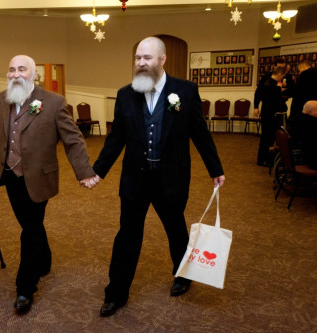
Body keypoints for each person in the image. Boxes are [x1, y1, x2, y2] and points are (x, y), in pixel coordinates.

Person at [92, 37, 225, 317]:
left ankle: (183, 275)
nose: (141, 63)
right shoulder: (126, 94)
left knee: (176, 230)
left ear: (162, 59)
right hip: (135, 180)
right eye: (138, 58)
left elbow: (200, 133)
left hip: (171, 179)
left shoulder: (185, 91)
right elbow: (116, 138)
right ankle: (116, 292)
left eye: (147, 58)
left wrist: (215, 169)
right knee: (127, 235)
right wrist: (97, 171)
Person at [0, 55, 99, 314]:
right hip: (9, 176)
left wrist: (84, 171)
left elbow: (73, 139)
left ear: (33, 75)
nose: (16, 74)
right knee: (31, 224)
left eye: (22, 69)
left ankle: (25, 288)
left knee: (29, 229)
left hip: (40, 177)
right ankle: (45, 257)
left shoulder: (53, 102)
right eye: (12, 69)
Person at [255, 67, 286, 166]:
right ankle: (265, 159)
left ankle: (262, 159)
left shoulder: (267, 83)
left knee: (265, 138)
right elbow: (277, 102)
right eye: (282, 76)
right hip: (271, 116)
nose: (282, 78)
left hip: (266, 114)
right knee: (268, 139)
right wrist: (280, 92)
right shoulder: (273, 86)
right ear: (280, 74)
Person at [292, 101, 317, 171]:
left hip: (308, 155)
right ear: (310, 112)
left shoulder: (297, 118)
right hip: (316, 160)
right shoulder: (312, 123)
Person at [289, 60, 317, 125]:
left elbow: (296, 90)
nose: (299, 72)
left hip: (303, 108)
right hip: (315, 106)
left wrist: (283, 91)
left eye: (299, 70)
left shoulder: (304, 74)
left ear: (303, 67)